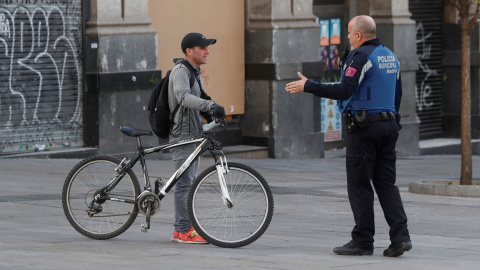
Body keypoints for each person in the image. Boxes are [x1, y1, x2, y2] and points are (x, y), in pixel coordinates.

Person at [285, 15, 412, 257]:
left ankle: (363, 241)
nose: (347, 37)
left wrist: (308, 86)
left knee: (360, 185)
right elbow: (398, 93)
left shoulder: (361, 56)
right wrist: (391, 120)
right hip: (389, 126)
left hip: (366, 129)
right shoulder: (389, 56)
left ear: (359, 35)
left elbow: (345, 89)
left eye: (349, 32)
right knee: (386, 184)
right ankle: (400, 237)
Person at [168, 32, 225, 244]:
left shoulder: (194, 71)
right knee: (184, 184)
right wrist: (209, 106)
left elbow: (199, 98)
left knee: (187, 181)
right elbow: (183, 97)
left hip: (193, 132)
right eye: (202, 48)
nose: (207, 51)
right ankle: (183, 230)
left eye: (207, 47)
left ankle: (179, 229)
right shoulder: (181, 71)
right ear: (189, 51)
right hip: (183, 133)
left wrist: (211, 113)